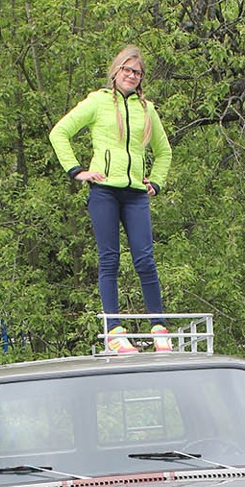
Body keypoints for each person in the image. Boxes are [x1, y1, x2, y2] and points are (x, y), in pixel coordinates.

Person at [49, 45, 173, 354]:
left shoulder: (147, 109)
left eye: (137, 72)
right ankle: (114, 330)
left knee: (145, 259)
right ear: (116, 72)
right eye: (127, 70)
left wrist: (155, 181)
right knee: (109, 259)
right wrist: (77, 171)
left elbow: (164, 151)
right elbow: (59, 132)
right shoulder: (98, 102)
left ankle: (159, 327)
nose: (131, 76)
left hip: (134, 193)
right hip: (104, 190)